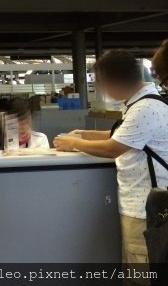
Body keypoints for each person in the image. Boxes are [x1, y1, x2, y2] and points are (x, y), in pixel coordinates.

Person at [54, 50, 168, 284]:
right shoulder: (143, 104)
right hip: (141, 207)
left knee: (142, 276)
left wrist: (74, 143)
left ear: (113, 81)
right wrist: (85, 134)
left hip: (145, 210)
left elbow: (113, 148)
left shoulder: (144, 109)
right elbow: (124, 136)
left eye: (101, 83)